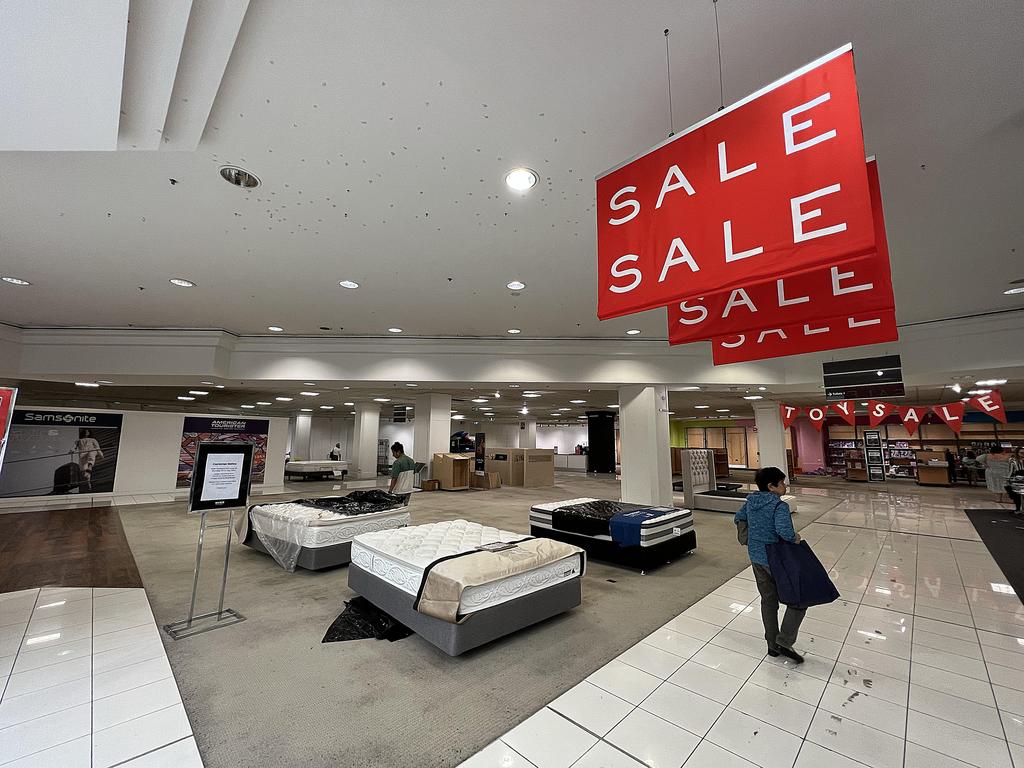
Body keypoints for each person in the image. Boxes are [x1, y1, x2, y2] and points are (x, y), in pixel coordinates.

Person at [735, 467, 804, 664]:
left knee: (768, 601)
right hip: (777, 560)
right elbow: (785, 532)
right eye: (781, 483)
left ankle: (772, 646)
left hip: (756, 558)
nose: (785, 486)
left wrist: (749, 537)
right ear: (771, 486)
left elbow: (738, 518)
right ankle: (785, 640)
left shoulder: (750, 502)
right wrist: (795, 538)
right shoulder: (778, 506)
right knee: (798, 600)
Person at [1007, 447, 1024, 514]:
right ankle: (1018, 508)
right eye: (1021, 453)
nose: (1023, 454)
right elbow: (1011, 470)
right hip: (1017, 478)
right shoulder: (1013, 460)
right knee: (1017, 495)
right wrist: (1008, 479)